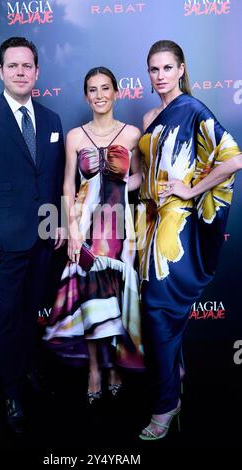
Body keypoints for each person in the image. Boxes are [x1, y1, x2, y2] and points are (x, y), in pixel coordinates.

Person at [0, 36, 65, 434]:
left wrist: (57, 224)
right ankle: (12, 392)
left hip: (42, 239)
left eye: (27, 66)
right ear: (1, 71)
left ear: (37, 72)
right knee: (7, 319)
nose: (21, 72)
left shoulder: (52, 120)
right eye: (13, 66)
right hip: (0, 244)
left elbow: (53, 181)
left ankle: (29, 373)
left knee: (31, 314)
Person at [137, 39, 242, 440]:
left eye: (167, 68)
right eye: (153, 69)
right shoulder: (150, 115)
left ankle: (165, 405)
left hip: (175, 227)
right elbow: (145, 178)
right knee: (158, 311)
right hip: (148, 225)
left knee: (158, 310)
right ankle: (174, 376)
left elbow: (233, 158)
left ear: (181, 69)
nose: (160, 76)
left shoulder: (194, 109)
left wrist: (192, 189)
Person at [43, 66, 144, 402]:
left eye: (105, 88)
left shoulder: (132, 134)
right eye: (92, 90)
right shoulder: (75, 136)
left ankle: (115, 365)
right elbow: (67, 184)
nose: (100, 95)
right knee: (89, 301)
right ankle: (95, 370)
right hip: (86, 231)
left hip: (120, 231)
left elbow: (139, 179)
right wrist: (72, 230)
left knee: (115, 298)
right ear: (86, 96)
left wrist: (118, 183)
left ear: (117, 92)